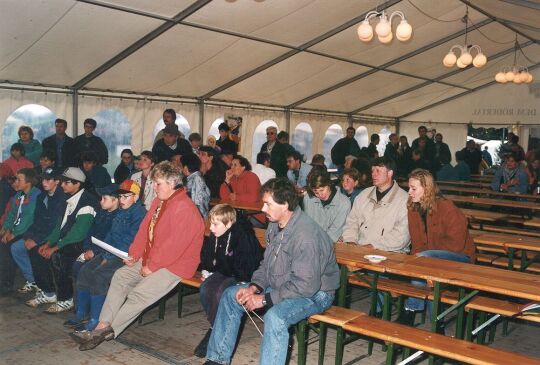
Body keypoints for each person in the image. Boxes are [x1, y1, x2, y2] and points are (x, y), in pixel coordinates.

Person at [204, 178, 339, 365]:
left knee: (275, 317)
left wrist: (265, 299)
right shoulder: (275, 225)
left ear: (285, 205)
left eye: (268, 204)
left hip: (316, 293)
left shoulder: (306, 236)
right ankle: (217, 360)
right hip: (286, 284)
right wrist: (254, 287)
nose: (263, 209)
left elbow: (306, 285)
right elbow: (267, 265)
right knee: (230, 295)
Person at [76, 161, 204, 351]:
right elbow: (144, 230)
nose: (153, 187)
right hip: (154, 257)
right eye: (153, 182)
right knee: (120, 276)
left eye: (157, 183)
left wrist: (151, 266)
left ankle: (108, 331)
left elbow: (174, 247)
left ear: (172, 183)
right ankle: (102, 325)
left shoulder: (184, 208)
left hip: (176, 264)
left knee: (139, 294)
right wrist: (135, 254)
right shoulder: (159, 202)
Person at [70, 180, 146, 334]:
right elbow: (111, 235)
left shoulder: (140, 214)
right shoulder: (122, 212)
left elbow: (130, 241)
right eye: (121, 197)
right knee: (85, 270)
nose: (122, 200)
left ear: (136, 197)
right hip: (111, 251)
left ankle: (96, 319)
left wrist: (108, 256)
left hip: (126, 256)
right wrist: (104, 252)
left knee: (99, 275)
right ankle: (81, 313)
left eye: (127, 196)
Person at [402, 169, 475, 323]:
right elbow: (416, 243)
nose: (409, 192)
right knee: (422, 263)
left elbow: (456, 243)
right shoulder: (413, 208)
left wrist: (427, 254)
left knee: (424, 260)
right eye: (409, 188)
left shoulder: (446, 207)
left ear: (427, 189)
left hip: (461, 257)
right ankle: (436, 322)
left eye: (413, 188)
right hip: (430, 259)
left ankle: (410, 313)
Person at [194, 204, 264, 358]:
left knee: (221, 292)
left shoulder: (242, 236)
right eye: (210, 223)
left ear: (229, 223)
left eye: (215, 224)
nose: (211, 228)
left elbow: (247, 267)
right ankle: (216, 326)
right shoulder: (216, 234)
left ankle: (214, 334)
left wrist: (223, 271)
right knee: (205, 289)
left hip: (244, 275)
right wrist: (208, 270)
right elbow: (208, 257)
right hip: (226, 272)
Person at [28, 167, 99, 313]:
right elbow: (58, 228)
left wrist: (55, 247)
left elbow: (78, 234)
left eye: (66, 183)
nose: (62, 185)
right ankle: (48, 293)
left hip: (84, 243)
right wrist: (47, 243)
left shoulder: (87, 202)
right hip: (68, 239)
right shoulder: (67, 199)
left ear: (77, 184)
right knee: (36, 251)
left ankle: (66, 299)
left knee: (57, 256)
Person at [64, 183, 120, 328]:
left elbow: (111, 240)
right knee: (78, 268)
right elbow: (90, 232)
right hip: (93, 249)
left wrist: (94, 252)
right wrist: (87, 248)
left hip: (105, 252)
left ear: (115, 200)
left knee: (89, 272)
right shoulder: (101, 212)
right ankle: (81, 311)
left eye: (104, 198)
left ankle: (94, 315)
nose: (101, 201)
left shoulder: (118, 217)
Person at [12, 168, 66, 296]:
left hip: (55, 236)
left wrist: (36, 240)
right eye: (43, 179)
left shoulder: (62, 198)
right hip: (39, 234)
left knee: (36, 251)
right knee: (17, 247)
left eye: (48, 179)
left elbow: (55, 226)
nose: (44, 182)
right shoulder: (42, 196)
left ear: (57, 181)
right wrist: (29, 236)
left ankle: (48, 292)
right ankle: (33, 281)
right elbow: (36, 221)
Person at [341, 157, 410, 252]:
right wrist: (350, 241)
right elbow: (352, 221)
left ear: (390, 173)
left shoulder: (404, 200)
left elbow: (401, 236)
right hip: (359, 249)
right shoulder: (364, 195)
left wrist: (373, 246)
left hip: (390, 253)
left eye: (378, 171)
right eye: (372, 170)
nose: (373, 174)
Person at [0, 168, 41, 295]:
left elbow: (28, 221)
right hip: (18, 229)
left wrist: (12, 234)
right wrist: (4, 229)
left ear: (28, 182)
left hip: (31, 231)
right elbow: (11, 215)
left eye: (18, 180)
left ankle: (6, 285)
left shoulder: (36, 196)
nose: (15, 182)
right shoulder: (18, 195)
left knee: (8, 248)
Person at [303, 168, 351, 242]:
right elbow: (306, 225)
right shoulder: (308, 199)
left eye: (322, 190)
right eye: (316, 192)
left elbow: (334, 233)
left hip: (328, 244)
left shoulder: (344, 203)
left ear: (329, 184)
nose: (320, 195)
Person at [181, 153, 211, 218]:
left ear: (186, 168)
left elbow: (198, 202)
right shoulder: (192, 178)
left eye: (181, 166)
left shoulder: (197, 179)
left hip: (198, 217)